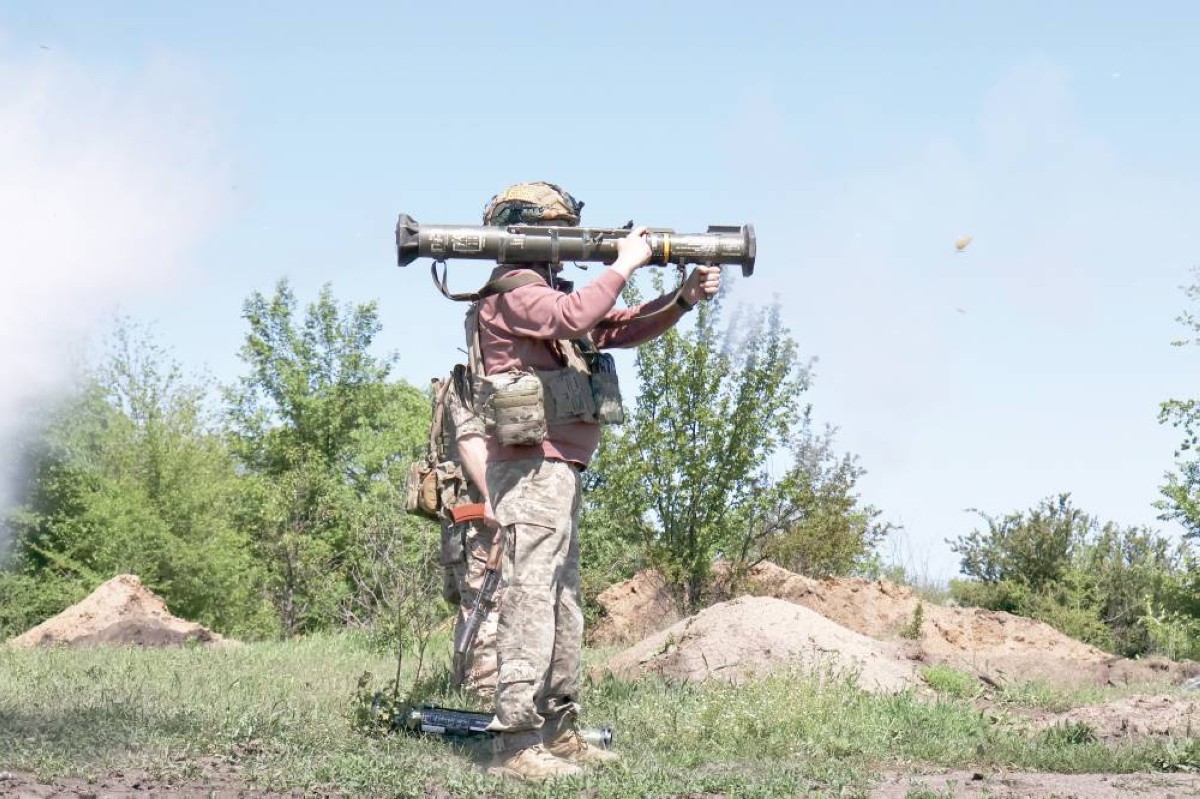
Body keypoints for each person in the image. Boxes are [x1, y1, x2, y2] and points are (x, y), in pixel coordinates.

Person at [454, 182, 721, 781]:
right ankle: (515, 743)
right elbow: (574, 316)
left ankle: (558, 728)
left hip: (559, 467)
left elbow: (613, 327)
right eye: (556, 230)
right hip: (531, 467)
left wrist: (680, 300)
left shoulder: (547, 294)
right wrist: (626, 265)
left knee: (562, 600)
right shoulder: (514, 292)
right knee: (530, 595)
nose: (568, 243)